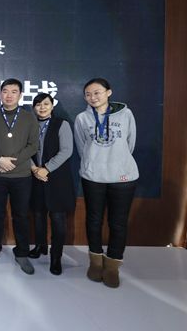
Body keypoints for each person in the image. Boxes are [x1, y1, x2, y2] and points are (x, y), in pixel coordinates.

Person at [74, 78, 138, 288]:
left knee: (118, 223)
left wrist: (117, 161)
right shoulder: (82, 118)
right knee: (94, 220)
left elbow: (130, 143)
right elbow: (82, 147)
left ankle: (112, 266)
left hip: (123, 178)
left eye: (97, 92)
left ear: (108, 92)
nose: (92, 97)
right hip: (93, 177)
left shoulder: (126, 114)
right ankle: (95, 262)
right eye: (88, 94)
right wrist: (94, 163)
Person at [0, 78, 39, 275]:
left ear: (20, 95)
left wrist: (12, 162)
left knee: (21, 215)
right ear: (0, 94)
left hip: (21, 175)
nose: (9, 95)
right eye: (5, 91)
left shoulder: (29, 117)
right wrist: (0, 159)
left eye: (14, 92)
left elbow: (33, 145)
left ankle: (22, 253)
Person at [28, 92, 76, 275]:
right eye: (38, 104)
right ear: (34, 107)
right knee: (38, 215)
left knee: (57, 219)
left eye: (46, 104)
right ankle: (40, 246)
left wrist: (46, 169)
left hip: (56, 179)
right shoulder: (30, 125)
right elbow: (24, 149)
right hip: (35, 178)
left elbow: (66, 151)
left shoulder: (61, 124)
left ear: (52, 106)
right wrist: (35, 169)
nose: (42, 107)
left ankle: (56, 257)